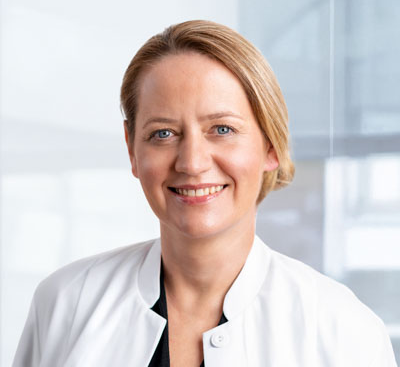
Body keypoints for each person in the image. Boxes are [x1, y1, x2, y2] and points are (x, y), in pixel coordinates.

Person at [12, 20, 397, 367]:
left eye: (222, 129)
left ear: (270, 145)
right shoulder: (66, 303)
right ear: (132, 149)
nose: (192, 163)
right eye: (163, 133)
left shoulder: (344, 331)